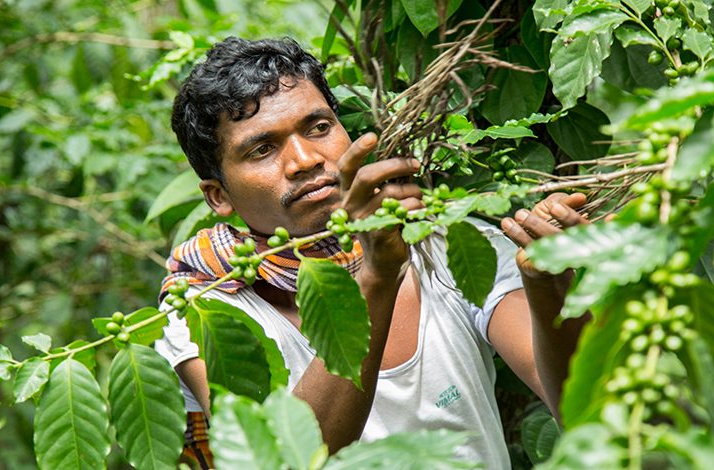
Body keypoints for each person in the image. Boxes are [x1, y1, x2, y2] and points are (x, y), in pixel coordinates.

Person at [155, 36, 590, 469]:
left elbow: (580, 411)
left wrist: (548, 284)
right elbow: (284, 460)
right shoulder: (203, 308)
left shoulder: (448, 248)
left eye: (318, 128)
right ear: (218, 196)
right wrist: (378, 276)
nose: (304, 159)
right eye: (262, 149)